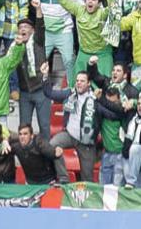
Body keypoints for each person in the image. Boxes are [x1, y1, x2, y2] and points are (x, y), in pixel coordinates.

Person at [42, 62, 99, 182]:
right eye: (77, 80)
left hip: (86, 141)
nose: (79, 83)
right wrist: (45, 76)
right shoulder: (70, 93)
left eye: (82, 81)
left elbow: (108, 115)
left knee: (87, 178)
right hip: (69, 135)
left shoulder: (96, 100)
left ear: (88, 84)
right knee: (52, 145)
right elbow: (49, 93)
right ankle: (63, 178)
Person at [88, 57, 139, 185]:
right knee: (104, 188)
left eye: (118, 71)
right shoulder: (107, 83)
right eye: (113, 70)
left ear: (125, 75)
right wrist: (91, 64)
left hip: (123, 147)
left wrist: (100, 100)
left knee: (118, 189)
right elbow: (95, 76)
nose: (114, 73)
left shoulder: (132, 91)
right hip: (107, 149)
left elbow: (120, 111)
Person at [57, 0, 114, 81]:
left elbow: (113, 9)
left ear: (99, 4)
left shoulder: (103, 13)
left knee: (103, 85)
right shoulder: (79, 9)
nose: (90, 1)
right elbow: (63, 1)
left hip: (102, 55)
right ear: (85, 1)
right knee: (77, 84)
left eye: (94, 0)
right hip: (84, 53)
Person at [17, 0, 51, 141]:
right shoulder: (15, 47)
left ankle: (47, 157)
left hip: (41, 90)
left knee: (44, 126)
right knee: (24, 126)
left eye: (26, 26)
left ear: (32, 30)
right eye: (20, 27)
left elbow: (40, 25)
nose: (23, 29)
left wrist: (38, 10)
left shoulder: (38, 40)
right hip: (24, 92)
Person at [122, 101, 141, 188]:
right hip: (133, 156)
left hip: (137, 150)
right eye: (139, 104)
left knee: (135, 148)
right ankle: (134, 188)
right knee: (126, 154)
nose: (140, 106)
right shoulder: (133, 118)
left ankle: (131, 182)